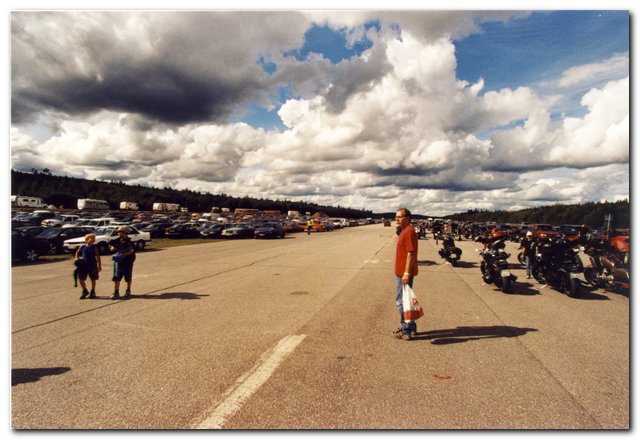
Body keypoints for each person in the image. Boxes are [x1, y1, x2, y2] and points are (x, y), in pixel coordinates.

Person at [393, 208, 419, 340]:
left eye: (400, 216)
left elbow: (410, 253)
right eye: (396, 217)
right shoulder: (405, 231)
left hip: (404, 273)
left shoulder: (408, 231)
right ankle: (411, 326)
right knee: (406, 301)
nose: (397, 219)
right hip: (402, 272)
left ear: (407, 218)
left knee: (401, 302)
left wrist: (406, 273)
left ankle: (406, 329)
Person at [109, 226, 136, 299]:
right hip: (118, 262)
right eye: (118, 232)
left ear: (125, 233)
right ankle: (116, 292)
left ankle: (128, 290)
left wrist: (123, 254)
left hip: (127, 261)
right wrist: (113, 248)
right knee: (116, 277)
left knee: (128, 276)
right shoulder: (116, 241)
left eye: (121, 232)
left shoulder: (129, 241)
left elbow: (131, 251)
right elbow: (112, 248)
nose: (119, 233)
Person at [74, 233, 102, 299]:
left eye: (94, 239)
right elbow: (77, 252)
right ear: (87, 239)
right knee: (80, 278)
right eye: (92, 238)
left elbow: (98, 257)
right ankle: (84, 290)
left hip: (92, 264)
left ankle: (93, 291)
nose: (93, 240)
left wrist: (99, 266)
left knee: (93, 278)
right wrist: (77, 259)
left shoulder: (94, 247)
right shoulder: (83, 246)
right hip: (84, 264)